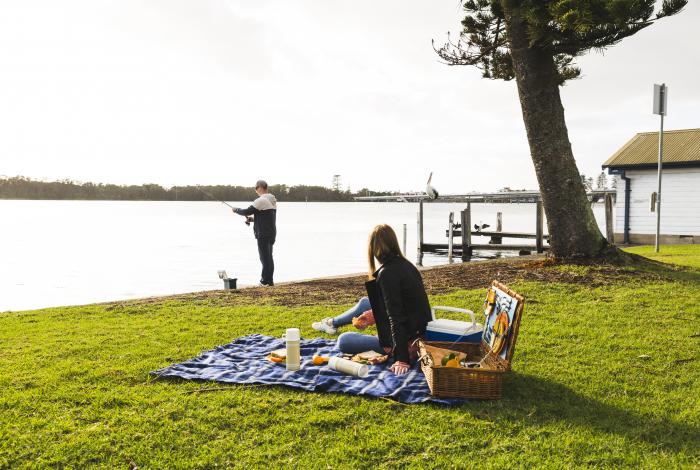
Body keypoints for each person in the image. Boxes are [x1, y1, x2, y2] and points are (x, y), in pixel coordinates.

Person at [335, 224, 432, 375]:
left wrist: (402, 358)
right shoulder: (406, 265)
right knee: (365, 302)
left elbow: (396, 316)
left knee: (344, 340)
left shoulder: (387, 273)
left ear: (373, 249)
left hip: (409, 343)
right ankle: (332, 322)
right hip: (417, 330)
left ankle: (336, 324)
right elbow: (403, 306)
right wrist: (370, 317)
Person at [232, 180, 277, 286]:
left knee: (264, 258)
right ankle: (269, 281)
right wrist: (252, 220)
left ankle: (265, 281)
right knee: (269, 258)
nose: (255, 190)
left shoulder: (261, 200)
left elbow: (246, 211)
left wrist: (236, 210)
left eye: (256, 188)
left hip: (263, 234)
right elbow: (264, 217)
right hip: (271, 233)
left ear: (260, 188)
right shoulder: (272, 200)